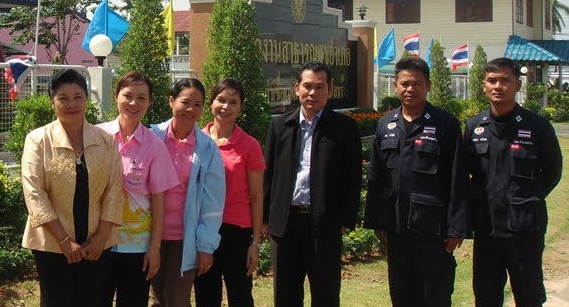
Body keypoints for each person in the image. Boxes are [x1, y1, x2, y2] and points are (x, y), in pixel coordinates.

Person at [364, 56, 468, 307]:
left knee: (435, 297)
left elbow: (458, 176)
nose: (410, 89)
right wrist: (376, 219)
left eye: (417, 84)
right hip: (397, 228)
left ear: (428, 86)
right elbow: (376, 176)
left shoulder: (445, 124)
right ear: (396, 86)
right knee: (401, 296)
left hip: (433, 230)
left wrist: (456, 227)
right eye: (404, 84)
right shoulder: (385, 124)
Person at [263, 60, 362, 307]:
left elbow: (353, 178)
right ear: (297, 88)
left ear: (330, 90)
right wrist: (265, 218)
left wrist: (345, 220)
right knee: (285, 296)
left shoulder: (344, 128)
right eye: (307, 86)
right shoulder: (280, 125)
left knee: (326, 295)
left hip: (325, 225)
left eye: (320, 87)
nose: (312, 93)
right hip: (285, 224)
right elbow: (268, 173)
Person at [21, 69, 124, 307]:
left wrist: (100, 238)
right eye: (63, 98)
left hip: (96, 245)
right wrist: (64, 241)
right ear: (52, 102)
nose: (71, 104)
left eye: (78, 97)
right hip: (51, 244)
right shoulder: (38, 140)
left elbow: (114, 190)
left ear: (86, 100)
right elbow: (34, 193)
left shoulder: (106, 141)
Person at [465, 58, 562, 307]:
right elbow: (467, 172)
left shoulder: (537, 126)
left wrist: (527, 198)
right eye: (492, 81)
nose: (498, 86)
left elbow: (552, 171)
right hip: (486, 227)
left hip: (524, 228)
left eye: (505, 80)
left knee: (528, 295)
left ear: (518, 85)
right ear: (484, 85)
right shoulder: (474, 127)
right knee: (485, 296)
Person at [97, 71, 179, 307]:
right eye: (128, 96)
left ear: (150, 102)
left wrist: (154, 248)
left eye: (141, 98)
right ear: (116, 96)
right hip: (99, 242)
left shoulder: (154, 145)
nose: (134, 103)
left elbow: (159, 200)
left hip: (136, 247)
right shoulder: (97, 136)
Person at [149, 78, 226, 307]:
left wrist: (205, 246)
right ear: (171, 101)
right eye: (185, 102)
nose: (191, 109)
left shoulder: (207, 148)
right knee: (156, 299)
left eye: (197, 104)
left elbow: (213, 203)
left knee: (178, 299)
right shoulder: (153, 137)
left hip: (185, 239)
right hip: (148, 234)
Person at [194, 78, 267, 307]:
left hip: (237, 230)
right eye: (221, 100)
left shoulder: (250, 145)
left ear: (241, 107)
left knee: (241, 295)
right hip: (203, 229)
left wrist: (255, 243)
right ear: (211, 103)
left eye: (233, 102)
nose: (226, 107)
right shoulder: (197, 141)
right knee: (206, 295)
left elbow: (257, 196)